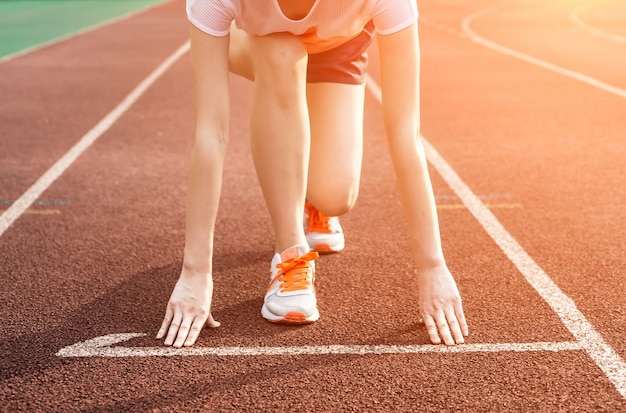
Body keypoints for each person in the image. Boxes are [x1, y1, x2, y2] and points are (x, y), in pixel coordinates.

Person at [157, 0, 469, 348]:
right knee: (281, 54)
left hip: (337, 46)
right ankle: (290, 253)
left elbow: (405, 134)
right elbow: (211, 133)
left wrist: (432, 266)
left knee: (335, 196)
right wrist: (195, 272)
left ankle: (310, 198)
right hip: (260, 43)